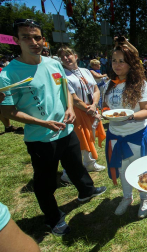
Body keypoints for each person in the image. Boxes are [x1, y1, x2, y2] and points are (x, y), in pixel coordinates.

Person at [0, 19, 106, 236]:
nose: (33, 41)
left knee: (76, 165)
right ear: (16, 40)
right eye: (26, 37)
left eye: (37, 37)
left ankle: (86, 191)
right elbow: (9, 113)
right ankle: (53, 218)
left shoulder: (54, 63)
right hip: (41, 137)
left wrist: (70, 108)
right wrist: (43, 123)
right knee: (46, 182)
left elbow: (66, 89)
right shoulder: (8, 74)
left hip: (67, 129)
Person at [103, 43, 147, 217]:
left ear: (131, 63)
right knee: (123, 167)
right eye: (114, 60)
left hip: (135, 134)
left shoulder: (140, 84)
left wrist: (129, 117)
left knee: (140, 168)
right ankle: (126, 197)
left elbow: (146, 111)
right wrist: (102, 113)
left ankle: (144, 197)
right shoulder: (110, 83)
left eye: (122, 61)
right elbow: (105, 106)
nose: (117, 65)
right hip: (115, 134)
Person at [58, 46, 106, 178]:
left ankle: (89, 163)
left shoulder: (85, 71)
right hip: (77, 112)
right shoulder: (62, 74)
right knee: (79, 140)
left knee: (90, 136)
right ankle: (69, 172)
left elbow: (95, 89)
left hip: (91, 108)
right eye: (63, 57)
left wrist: (94, 105)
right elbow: (73, 98)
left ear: (75, 56)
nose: (66, 58)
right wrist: (88, 109)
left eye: (68, 55)